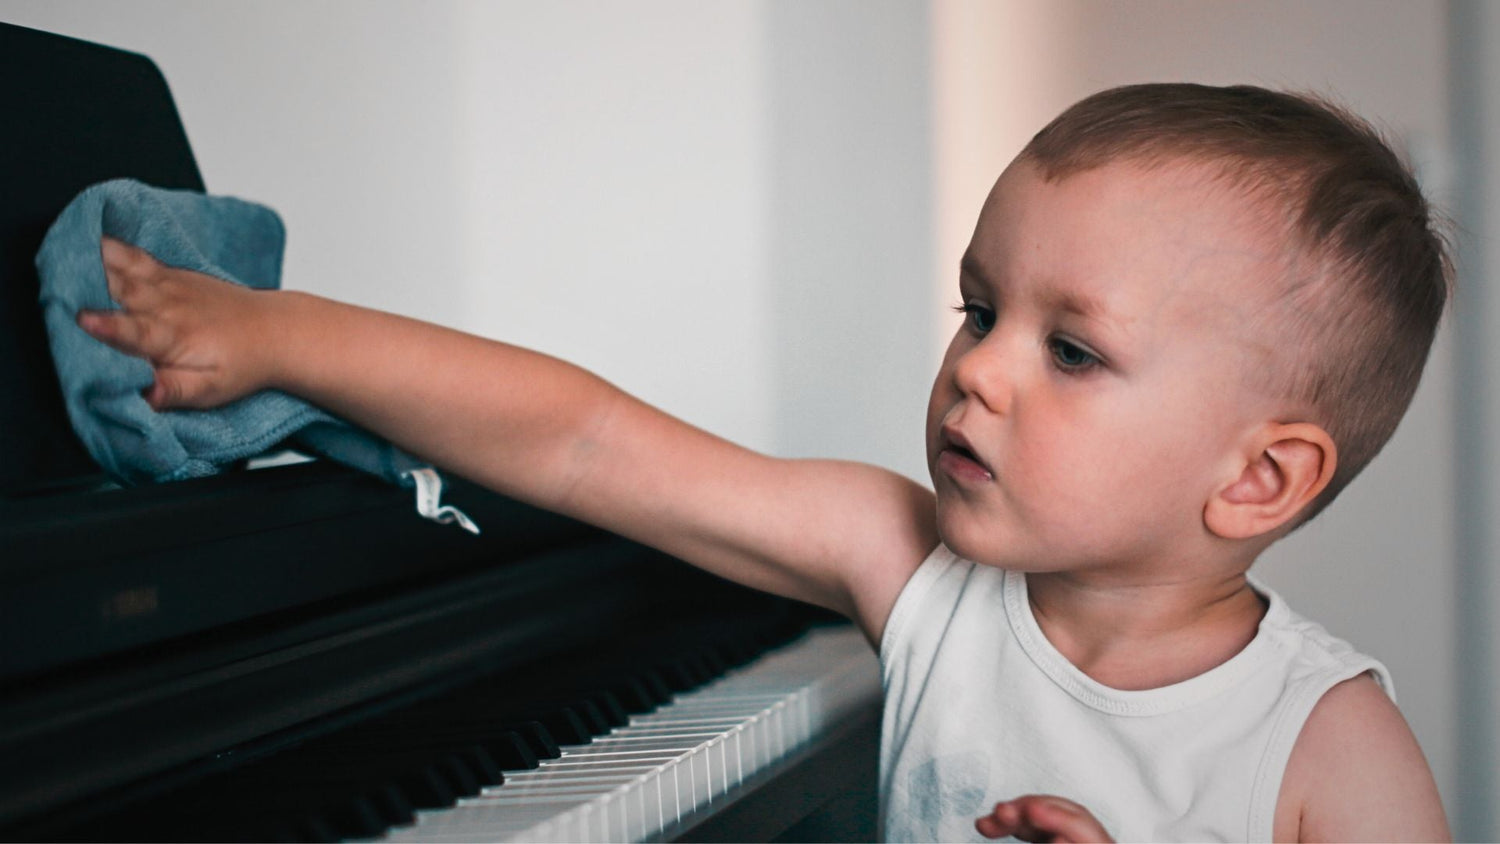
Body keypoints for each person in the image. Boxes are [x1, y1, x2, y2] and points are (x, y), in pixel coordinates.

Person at [77, 83, 1451, 842]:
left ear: (1257, 480)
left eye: (1071, 351)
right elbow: (586, 439)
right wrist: (286, 335)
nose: (977, 367)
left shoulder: (1334, 749)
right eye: (980, 309)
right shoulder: (906, 563)